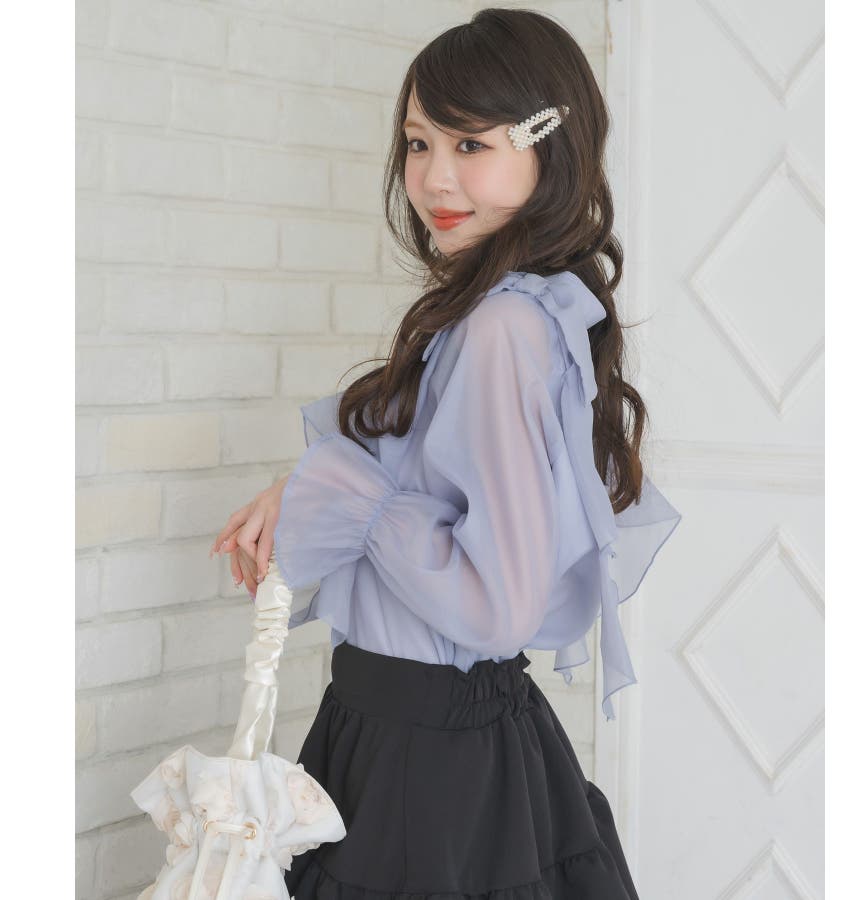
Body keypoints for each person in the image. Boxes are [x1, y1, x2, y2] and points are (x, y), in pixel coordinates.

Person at [210, 8, 682, 898]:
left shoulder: (501, 327)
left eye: (471, 145)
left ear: (549, 146)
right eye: (418, 143)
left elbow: (496, 604)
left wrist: (343, 494)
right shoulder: (506, 311)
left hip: (423, 756)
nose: (433, 177)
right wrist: (307, 489)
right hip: (418, 732)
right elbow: (434, 491)